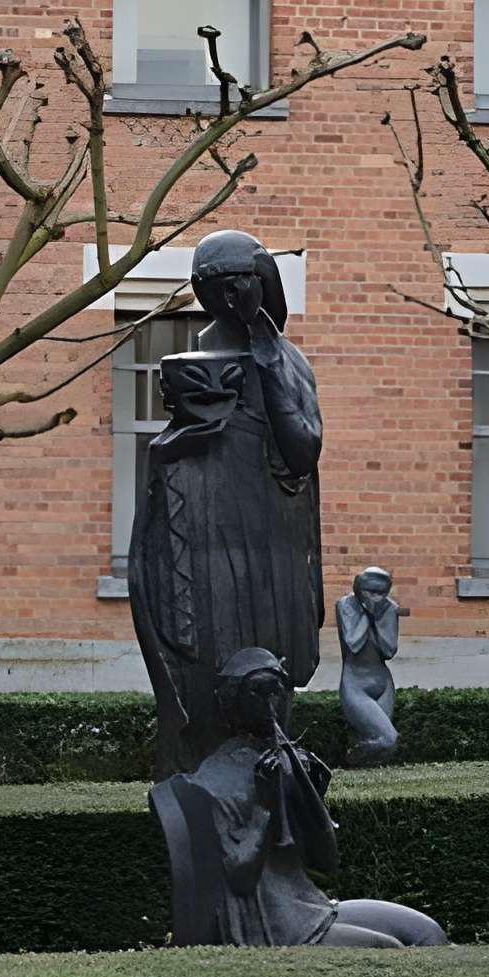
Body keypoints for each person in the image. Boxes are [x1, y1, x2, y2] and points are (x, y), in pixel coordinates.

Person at [128, 228, 324, 774]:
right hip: (210, 527)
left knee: (268, 655)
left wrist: (266, 362)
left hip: (272, 534)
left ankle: (273, 771)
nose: (230, 300)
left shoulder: (289, 362)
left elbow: (303, 451)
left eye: (240, 286)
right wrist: (186, 433)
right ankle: (206, 772)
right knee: (209, 653)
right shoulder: (198, 353)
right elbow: (169, 455)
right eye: (215, 289)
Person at [151, 647, 445, 948]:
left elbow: (325, 863)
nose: (270, 703)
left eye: (277, 691)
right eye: (257, 692)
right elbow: (239, 877)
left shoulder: (286, 761)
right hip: (272, 925)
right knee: (390, 949)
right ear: (232, 702)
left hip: (310, 907)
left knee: (427, 932)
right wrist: (264, 808)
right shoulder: (213, 781)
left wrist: (310, 795)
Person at [334, 566, 404, 765]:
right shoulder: (346, 605)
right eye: (371, 593)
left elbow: (389, 651)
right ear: (358, 590)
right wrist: (368, 615)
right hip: (356, 684)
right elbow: (353, 644)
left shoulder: (389, 608)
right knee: (388, 739)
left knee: (376, 742)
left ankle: (366, 778)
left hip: (382, 682)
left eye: (382, 593)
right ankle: (349, 759)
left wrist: (379, 618)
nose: (377, 598)